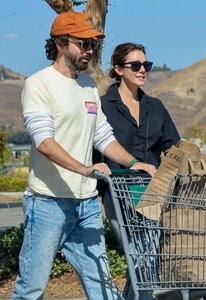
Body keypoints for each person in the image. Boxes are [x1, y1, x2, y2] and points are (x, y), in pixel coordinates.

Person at [11, 13, 157, 300]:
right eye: (84, 43)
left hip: (86, 205)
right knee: (31, 289)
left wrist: (134, 163)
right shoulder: (39, 84)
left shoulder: (88, 86)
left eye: (92, 43)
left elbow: (102, 136)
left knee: (102, 288)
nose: (90, 50)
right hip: (47, 203)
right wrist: (84, 168)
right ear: (60, 43)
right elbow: (43, 141)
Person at [93, 42, 180, 299]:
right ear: (118, 69)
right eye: (136, 65)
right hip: (118, 195)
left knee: (144, 262)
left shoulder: (156, 106)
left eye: (146, 65)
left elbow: (173, 149)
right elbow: (95, 146)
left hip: (151, 195)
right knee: (142, 258)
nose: (143, 70)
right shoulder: (103, 106)